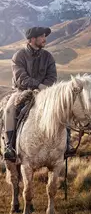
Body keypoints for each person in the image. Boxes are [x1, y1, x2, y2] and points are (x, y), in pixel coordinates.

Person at [3, 26, 76, 162]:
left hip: (45, 92)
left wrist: (45, 89)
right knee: (9, 110)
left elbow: (52, 77)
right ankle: (9, 147)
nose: (45, 39)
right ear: (32, 39)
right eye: (42, 36)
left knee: (62, 110)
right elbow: (21, 78)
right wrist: (37, 86)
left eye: (44, 36)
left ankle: (67, 144)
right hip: (22, 91)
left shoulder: (48, 57)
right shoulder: (19, 56)